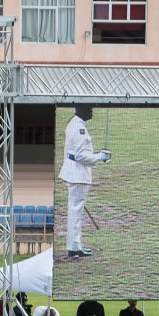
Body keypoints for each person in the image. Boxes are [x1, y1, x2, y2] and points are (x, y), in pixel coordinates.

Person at [59, 105, 110, 259]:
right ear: (82, 110)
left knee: (75, 210)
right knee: (76, 211)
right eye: (89, 109)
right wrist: (99, 157)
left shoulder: (74, 124)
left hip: (74, 173)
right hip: (78, 174)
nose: (91, 112)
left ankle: (75, 245)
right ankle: (74, 247)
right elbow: (80, 156)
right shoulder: (79, 128)